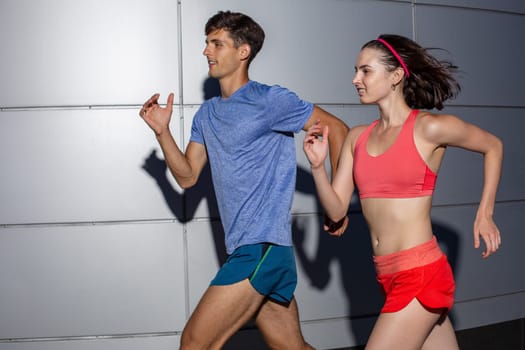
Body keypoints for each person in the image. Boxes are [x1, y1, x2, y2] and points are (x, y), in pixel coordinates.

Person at [140, 10, 349, 350]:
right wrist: (163, 133)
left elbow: (337, 129)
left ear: (243, 51)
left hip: (262, 247)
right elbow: (189, 177)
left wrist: (337, 205)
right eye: (207, 43)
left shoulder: (271, 100)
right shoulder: (207, 114)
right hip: (246, 249)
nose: (207, 51)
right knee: (291, 347)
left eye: (217, 44)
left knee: (194, 343)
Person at [303, 34, 503, 349]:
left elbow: (493, 145)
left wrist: (485, 213)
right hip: (387, 274)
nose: (356, 79)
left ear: (396, 76)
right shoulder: (357, 138)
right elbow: (337, 210)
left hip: (420, 273)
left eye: (365, 71)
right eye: (356, 71)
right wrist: (317, 167)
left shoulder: (428, 128)